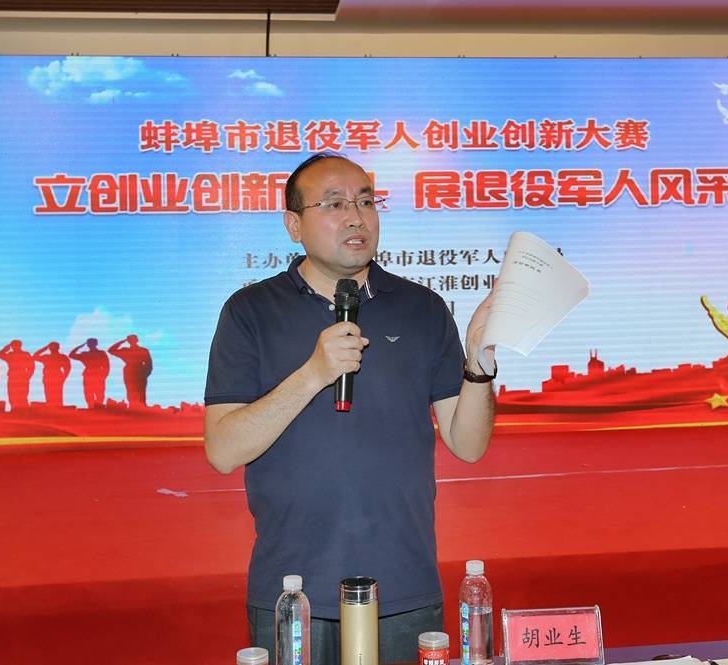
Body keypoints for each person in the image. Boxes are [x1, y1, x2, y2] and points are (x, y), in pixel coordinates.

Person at [204, 153, 497, 665]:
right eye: (334, 204)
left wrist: (479, 363)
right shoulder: (250, 312)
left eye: (365, 202)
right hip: (293, 590)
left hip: (404, 584)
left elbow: (468, 444)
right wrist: (314, 373)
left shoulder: (423, 308)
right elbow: (223, 450)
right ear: (294, 224)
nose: (356, 217)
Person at [108, 335, 153, 408]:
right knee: (130, 390)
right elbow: (111, 350)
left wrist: (145, 374)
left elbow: (149, 364)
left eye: (133, 339)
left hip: (139, 371)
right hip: (129, 371)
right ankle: (132, 406)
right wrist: (121, 342)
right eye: (130, 340)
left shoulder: (143, 350)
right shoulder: (125, 350)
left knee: (141, 391)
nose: (132, 341)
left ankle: (142, 406)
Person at [69, 338, 109, 408]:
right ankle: (91, 406)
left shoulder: (101, 353)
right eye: (89, 343)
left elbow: (107, 365)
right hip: (90, 374)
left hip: (98, 374)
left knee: (99, 392)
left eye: (91, 343)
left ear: (96, 344)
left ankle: (98, 406)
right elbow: (71, 355)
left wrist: (104, 375)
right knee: (88, 392)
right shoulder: (85, 354)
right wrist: (79, 346)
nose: (90, 345)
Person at [0, 340, 35, 411]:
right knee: (12, 394)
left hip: (20, 376)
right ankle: (14, 410)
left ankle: (22, 410)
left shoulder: (22, 354)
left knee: (21, 395)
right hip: (15, 376)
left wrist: (28, 376)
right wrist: (28, 376)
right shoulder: (13, 354)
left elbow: (31, 366)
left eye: (13, 345)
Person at [33, 342, 71, 407]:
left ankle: (57, 408)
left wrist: (63, 377)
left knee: (57, 395)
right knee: (49, 395)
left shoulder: (61, 357)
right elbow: (34, 357)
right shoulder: (47, 357)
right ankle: (51, 407)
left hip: (56, 377)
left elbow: (67, 368)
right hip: (48, 377)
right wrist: (44, 348)